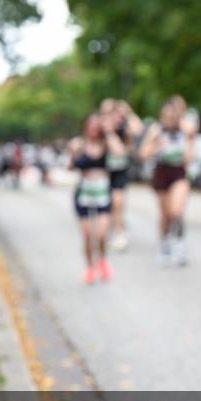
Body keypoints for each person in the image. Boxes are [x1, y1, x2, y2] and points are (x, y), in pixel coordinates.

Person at [69, 114, 126, 285]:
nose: (93, 130)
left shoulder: (106, 144)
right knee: (87, 235)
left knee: (101, 234)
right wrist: (73, 154)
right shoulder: (78, 144)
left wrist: (109, 132)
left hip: (102, 192)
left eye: (96, 126)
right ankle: (90, 267)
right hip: (84, 193)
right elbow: (71, 166)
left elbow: (120, 153)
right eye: (90, 126)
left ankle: (102, 259)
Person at [140, 95, 196, 266]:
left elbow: (189, 157)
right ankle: (164, 246)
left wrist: (187, 139)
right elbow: (143, 154)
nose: (170, 118)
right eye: (166, 115)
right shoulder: (156, 130)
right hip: (161, 173)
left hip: (179, 173)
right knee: (165, 215)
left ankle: (179, 246)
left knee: (176, 212)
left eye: (173, 115)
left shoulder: (186, 130)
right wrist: (157, 144)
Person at [102, 98, 144, 251]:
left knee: (118, 201)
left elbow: (139, 129)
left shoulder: (122, 128)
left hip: (119, 170)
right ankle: (110, 230)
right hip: (103, 172)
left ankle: (120, 232)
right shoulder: (100, 128)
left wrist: (128, 112)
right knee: (108, 204)